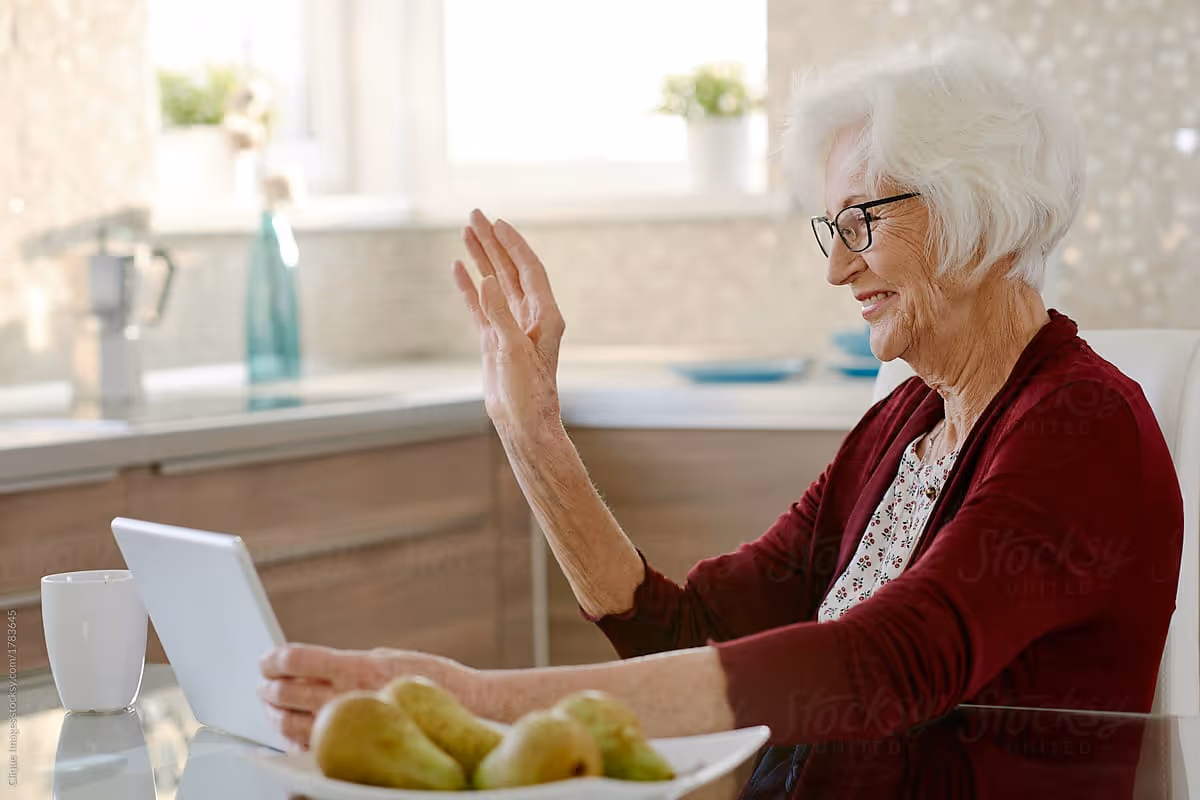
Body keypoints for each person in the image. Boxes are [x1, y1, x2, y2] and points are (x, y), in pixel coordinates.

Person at [258, 34, 1183, 758]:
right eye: (832, 226)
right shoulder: (902, 428)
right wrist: (533, 430)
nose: (836, 267)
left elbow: (891, 664)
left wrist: (485, 702)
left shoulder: (1083, 426)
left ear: (978, 211)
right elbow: (686, 630)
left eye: (861, 220)